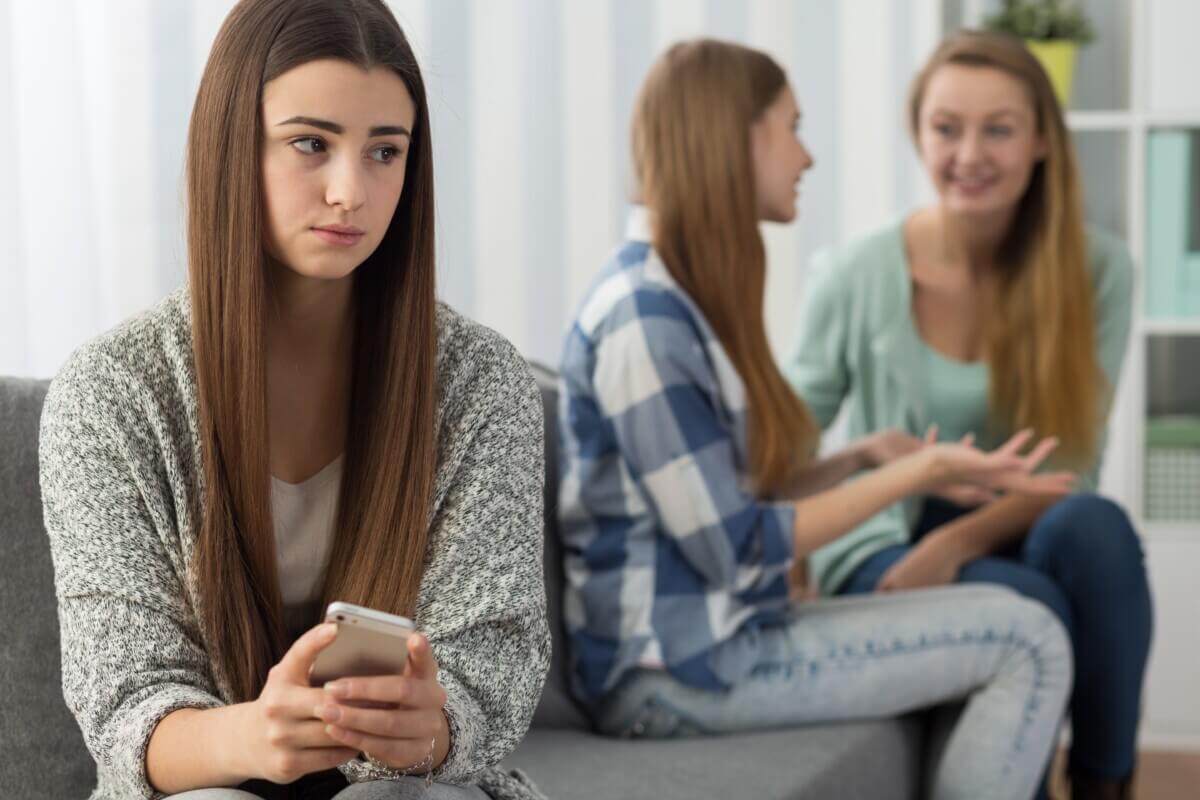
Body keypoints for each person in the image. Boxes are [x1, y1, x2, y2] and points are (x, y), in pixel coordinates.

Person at [39, 1, 548, 798]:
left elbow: (494, 658)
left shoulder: (482, 384)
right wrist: (254, 734)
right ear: (230, 145)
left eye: (386, 151)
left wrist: (432, 726)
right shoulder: (111, 392)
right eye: (312, 143)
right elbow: (126, 699)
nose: (352, 191)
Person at [558, 38, 1074, 800]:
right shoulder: (645, 321)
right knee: (1028, 638)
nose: (806, 157)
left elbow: (722, 500)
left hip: (705, 649)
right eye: (791, 129)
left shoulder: (673, 299)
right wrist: (918, 472)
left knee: (1019, 621)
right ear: (735, 138)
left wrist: (860, 455)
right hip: (671, 676)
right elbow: (735, 550)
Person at [785, 30, 1152, 800]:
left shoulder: (1099, 271)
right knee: (1034, 608)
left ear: (1043, 139)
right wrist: (785, 553)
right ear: (919, 133)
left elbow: (1069, 470)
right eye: (947, 127)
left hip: (1019, 528)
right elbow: (784, 448)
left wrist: (951, 545)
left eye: (999, 128)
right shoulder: (854, 274)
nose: (969, 154)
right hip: (883, 539)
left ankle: (1104, 784)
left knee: (1097, 527)